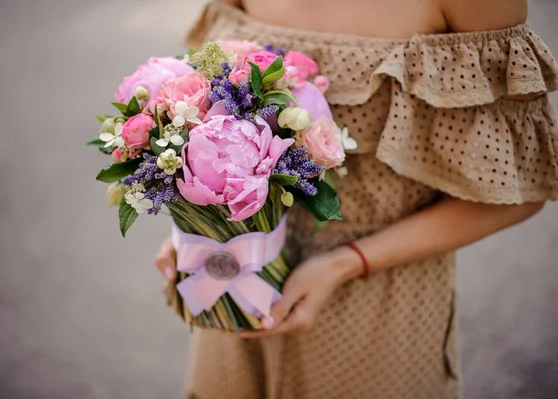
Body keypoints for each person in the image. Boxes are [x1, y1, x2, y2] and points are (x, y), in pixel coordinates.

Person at [155, 0, 558, 397]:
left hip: (380, 309)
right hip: (239, 282)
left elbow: (517, 192)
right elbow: (210, 117)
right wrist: (197, 230)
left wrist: (345, 264)